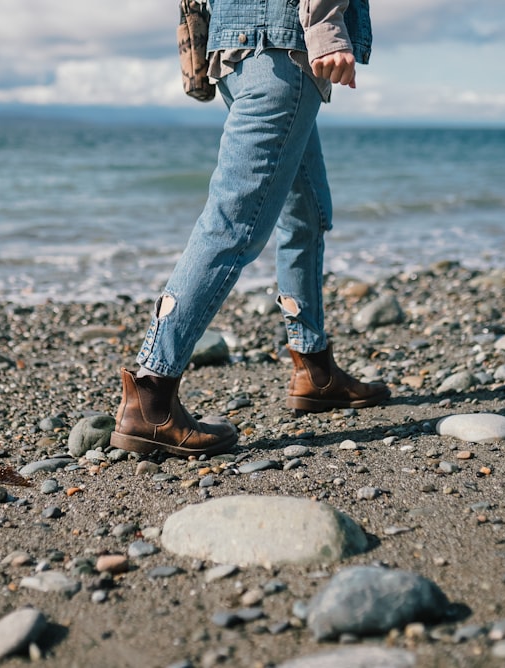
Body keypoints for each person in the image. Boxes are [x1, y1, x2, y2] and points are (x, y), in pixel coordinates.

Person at [110, 0, 389, 458]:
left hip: (240, 51)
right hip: (282, 49)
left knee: (305, 211)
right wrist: (327, 30)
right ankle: (152, 393)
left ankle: (314, 370)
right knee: (234, 225)